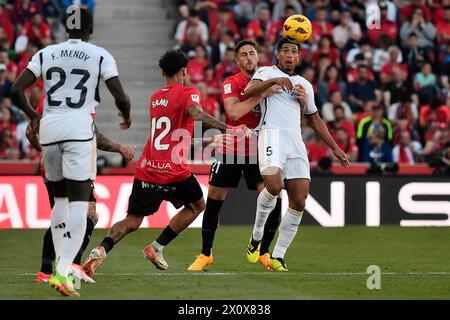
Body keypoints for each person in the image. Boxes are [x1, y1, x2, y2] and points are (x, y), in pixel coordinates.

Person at [82, 49, 251, 277]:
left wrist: (210, 140)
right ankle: (157, 247)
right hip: (173, 171)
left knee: (132, 221)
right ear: (184, 71)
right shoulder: (188, 92)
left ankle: (101, 250)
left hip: (148, 169)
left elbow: (175, 139)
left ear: (162, 72)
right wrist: (231, 128)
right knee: (198, 206)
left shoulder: (156, 97)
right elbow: (196, 113)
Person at [11, 7, 131, 297]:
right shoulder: (100, 55)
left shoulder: (46, 53)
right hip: (78, 131)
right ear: (90, 30)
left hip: (50, 131)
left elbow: (16, 89)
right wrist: (126, 113)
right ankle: (63, 271)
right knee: (81, 205)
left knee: (60, 203)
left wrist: (34, 116)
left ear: (67, 27)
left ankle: (54, 269)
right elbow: (118, 93)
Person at [243, 38, 349, 271]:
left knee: (299, 201)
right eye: (286, 51)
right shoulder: (265, 71)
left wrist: (334, 147)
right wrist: (274, 81)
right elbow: (248, 90)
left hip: (295, 141)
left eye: (294, 52)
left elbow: (313, 118)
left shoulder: (305, 85)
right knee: (273, 185)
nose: (290, 55)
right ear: (278, 54)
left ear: (299, 58)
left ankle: (278, 256)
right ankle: (256, 236)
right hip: (271, 134)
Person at [188, 40, 282, 272]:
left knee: (274, 198)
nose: (250, 57)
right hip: (232, 148)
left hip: (260, 150)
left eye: (253, 53)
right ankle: (205, 253)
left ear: (258, 57)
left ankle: (265, 252)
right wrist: (262, 95)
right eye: (244, 55)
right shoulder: (232, 82)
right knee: (214, 200)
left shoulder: (268, 79)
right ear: (237, 61)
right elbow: (233, 112)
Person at [27, 97, 135, 284]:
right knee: (87, 214)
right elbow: (94, 136)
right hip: (70, 165)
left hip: (60, 165)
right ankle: (73, 266)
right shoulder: (70, 97)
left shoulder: (57, 97)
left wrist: (46, 152)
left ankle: (46, 272)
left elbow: (31, 132)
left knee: (66, 215)